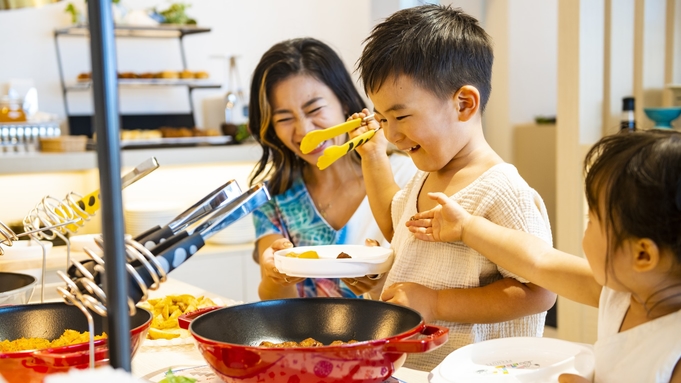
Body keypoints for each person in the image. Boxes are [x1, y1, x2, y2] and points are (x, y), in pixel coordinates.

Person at [348, 4, 557, 371]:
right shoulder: (425, 174)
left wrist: (437, 303)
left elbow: (539, 292)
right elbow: (398, 227)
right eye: (382, 119)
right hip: (416, 369)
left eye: (400, 116)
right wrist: (372, 157)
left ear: (463, 104)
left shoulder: (503, 190)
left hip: (479, 374)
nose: (391, 133)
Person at [407, 130, 681, 383]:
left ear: (642, 255)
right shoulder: (618, 291)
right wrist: (467, 228)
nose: (586, 228)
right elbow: (537, 260)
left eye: (592, 220)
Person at [247, 38, 416, 301]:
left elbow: (429, 285)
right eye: (284, 118)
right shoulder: (275, 199)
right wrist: (275, 274)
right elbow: (275, 303)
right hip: (307, 339)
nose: (303, 130)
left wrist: (376, 284)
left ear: (344, 103)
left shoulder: (410, 177)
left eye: (314, 109)